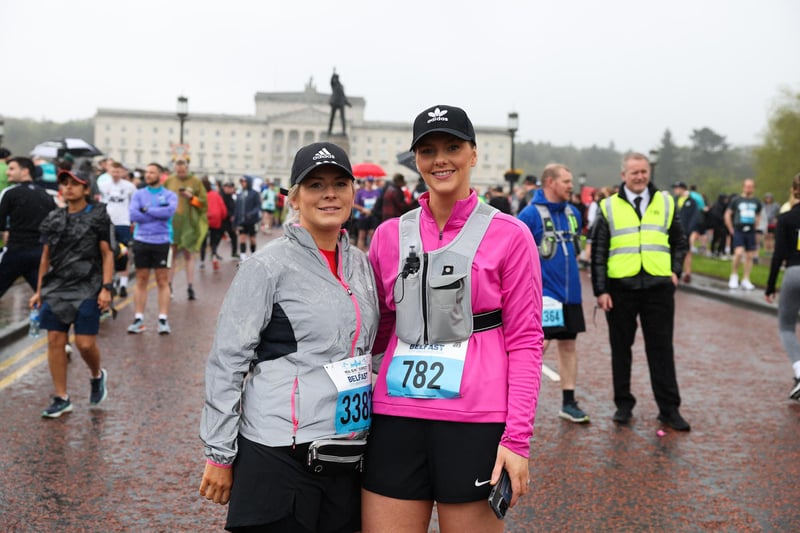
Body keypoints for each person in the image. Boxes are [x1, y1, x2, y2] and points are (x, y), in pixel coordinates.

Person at [362, 104, 543, 532]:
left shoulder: (511, 235)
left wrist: (517, 438)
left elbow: (525, 341)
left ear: (473, 154)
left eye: (452, 147)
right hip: (396, 418)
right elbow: (376, 331)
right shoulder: (389, 236)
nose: (440, 159)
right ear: (416, 160)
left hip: (475, 421)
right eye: (428, 150)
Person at [199, 141, 379, 532]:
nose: (329, 193)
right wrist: (219, 454)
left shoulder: (362, 264)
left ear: (353, 192)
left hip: (346, 449)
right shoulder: (266, 266)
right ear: (294, 198)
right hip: (279, 449)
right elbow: (227, 361)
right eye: (315, 185)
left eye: (339, 183)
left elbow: (368, 352)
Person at [591, 152, 690, 431]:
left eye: (644, 171)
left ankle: (669, 409)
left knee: (661, 349)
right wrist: (601, 290)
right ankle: (624, 404)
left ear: (649, 173)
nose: (639, 176)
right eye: (634, 172)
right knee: (621, 350)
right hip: (620, 288)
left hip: (658, 287)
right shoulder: (608, 206)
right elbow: (599, 250)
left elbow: (679, 242)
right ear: (623, 175)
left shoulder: (666, 202)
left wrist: (676, 270)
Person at [29, 169, 113, 418]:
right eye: (64, 183)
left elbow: (108, 254)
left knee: (84, 344)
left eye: (75, 183)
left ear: (87, 189)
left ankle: (97, 375)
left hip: (88, 285)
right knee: (55, 340)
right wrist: (38, 291)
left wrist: (107, 289)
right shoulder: (53, 217)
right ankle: (61, 397)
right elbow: (45, 257)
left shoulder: (98, 215)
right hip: (57, 288)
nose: (68, 187)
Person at [518, 163, 589, 423]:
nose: (572, 186)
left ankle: (568, 403)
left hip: (571, 294)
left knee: (568, 345)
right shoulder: (529, 215)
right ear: (550, 182)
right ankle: (516, 403)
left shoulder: (573, 212)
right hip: (545, 294)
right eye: (566, 181)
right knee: (538, 347)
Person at [127, 163, 178, 335]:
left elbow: (169, 212)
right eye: (147, 172)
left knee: (162, 281)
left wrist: (147, 210)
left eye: (152, 172)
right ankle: (138, 319)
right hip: (141, 240)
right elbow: (134, 215)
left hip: (162, 241)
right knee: (141, 280)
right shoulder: (138, 194)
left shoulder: (169, 195)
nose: (148, 175)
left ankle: (163, 319)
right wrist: (157, 213)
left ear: (160, 175)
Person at [0, 157, 57, 297]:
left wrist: (5, 232)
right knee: (44, 295)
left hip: (15, 252)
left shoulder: (10, 193)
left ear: (25, 171)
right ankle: (55, 318)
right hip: (38, 254)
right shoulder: (46, 195)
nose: (8, 173)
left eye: (12, 169)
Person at [765, 173, 800, 401]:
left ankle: (799, 370)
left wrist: (770, 286)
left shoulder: (786, 218)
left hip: (794, 271)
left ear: (794, 190)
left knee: (786, 326)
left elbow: (778, 255)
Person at [164, 159, 207, 300]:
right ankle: (169, 285)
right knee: (172, 254)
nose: (181, 174)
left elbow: (203, 204)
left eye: (183, 171)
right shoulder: (170, 180)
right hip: (173, 223)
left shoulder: (195, 181)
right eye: (178, 171)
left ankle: (190, 286)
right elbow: (162, 198)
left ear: (187, 169)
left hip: (189, 224)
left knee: (189, 255)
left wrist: (191, 198)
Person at [98, 161, 137, 297]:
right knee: (109, 253)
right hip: (108, 223)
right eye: (113, 171)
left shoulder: (130, 187)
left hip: (123, 222)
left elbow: (134, 204)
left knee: (124, 253)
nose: (115, 174)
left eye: (118, 171)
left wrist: (133, 220)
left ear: (122, 172)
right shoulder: (102, 185)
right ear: (109, 171)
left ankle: (124, 284)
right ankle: (111, 282)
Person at [725, 179, 762, 290]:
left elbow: (758, 215)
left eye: (751, 186)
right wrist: (731, 228)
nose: (748, 188)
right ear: (743, 187)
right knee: (739, 252)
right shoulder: (737, 200)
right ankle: (734, 275)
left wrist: (756, 226)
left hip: (750, 229)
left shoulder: (756, 201)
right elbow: (727, 214)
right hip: (739, 229)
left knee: (750, 255)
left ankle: (746, 278)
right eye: (747, 186)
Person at [672, 181, 699, 283]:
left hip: (685, 231)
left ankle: (688, 272)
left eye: (677, 188)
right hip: (674, 230)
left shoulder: (691, 202)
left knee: (687, 251)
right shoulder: (673, 200)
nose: (675, 190)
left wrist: (690, 230)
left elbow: (695, 216)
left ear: (683, 189)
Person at [199, 177, 227, 271]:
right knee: (213, 241)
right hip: (216, 220)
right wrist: (222, 218)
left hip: (204, 220)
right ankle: (214, 256)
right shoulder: (216, 195)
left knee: (203, 242)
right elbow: (223, 209)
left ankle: (202, 261)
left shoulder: (201, 196)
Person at [234, 175, 261, 261]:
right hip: (242, 221)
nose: (243, 183)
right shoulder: (239, 194)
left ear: (248, 182)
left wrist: (251, 213)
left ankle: (253, 254)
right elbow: (237, 208)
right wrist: (235, 222)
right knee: (242, 238)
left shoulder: (255, 193)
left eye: (244, 181)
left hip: (252, 221)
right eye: (241, 181)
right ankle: (243, 256)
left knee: (252, 239)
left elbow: (258, 206)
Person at [353, 176, 382, 251]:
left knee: (372, 234)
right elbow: (354, 204)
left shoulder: (376, 192)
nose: (370, 183)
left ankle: (371, 252)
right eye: (369, 182)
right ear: (366, 182)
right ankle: (360, 253)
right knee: (362, 235)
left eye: (371, 182)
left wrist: (373, 210)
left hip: (373, 216)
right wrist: (362, 209)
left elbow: (379, 203)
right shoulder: (360, 193)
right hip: (363, 216)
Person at [328, 70, 351, 135]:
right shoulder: (334, 85)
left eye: (336, 78)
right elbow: (331, 81)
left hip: (341, 103)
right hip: (335, 102)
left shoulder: (341, 86)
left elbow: (343, 95)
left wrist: (347, 103)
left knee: (342, 118)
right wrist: (333, 74)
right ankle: (329, 130)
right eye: (335, 78)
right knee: (332, 117)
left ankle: (344, 131)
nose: (336, 79)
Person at [219, 181, 238, 258]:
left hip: (230, 221)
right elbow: (223, 209)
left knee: (234, 237)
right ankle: (213, 253)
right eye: (228, 187)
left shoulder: (231, 196)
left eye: (231, 188)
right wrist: (230, 214)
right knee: (217, 238)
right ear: (224, 188)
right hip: (223, 220)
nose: (230, 189)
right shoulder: (222, 196)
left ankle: (234, 252)